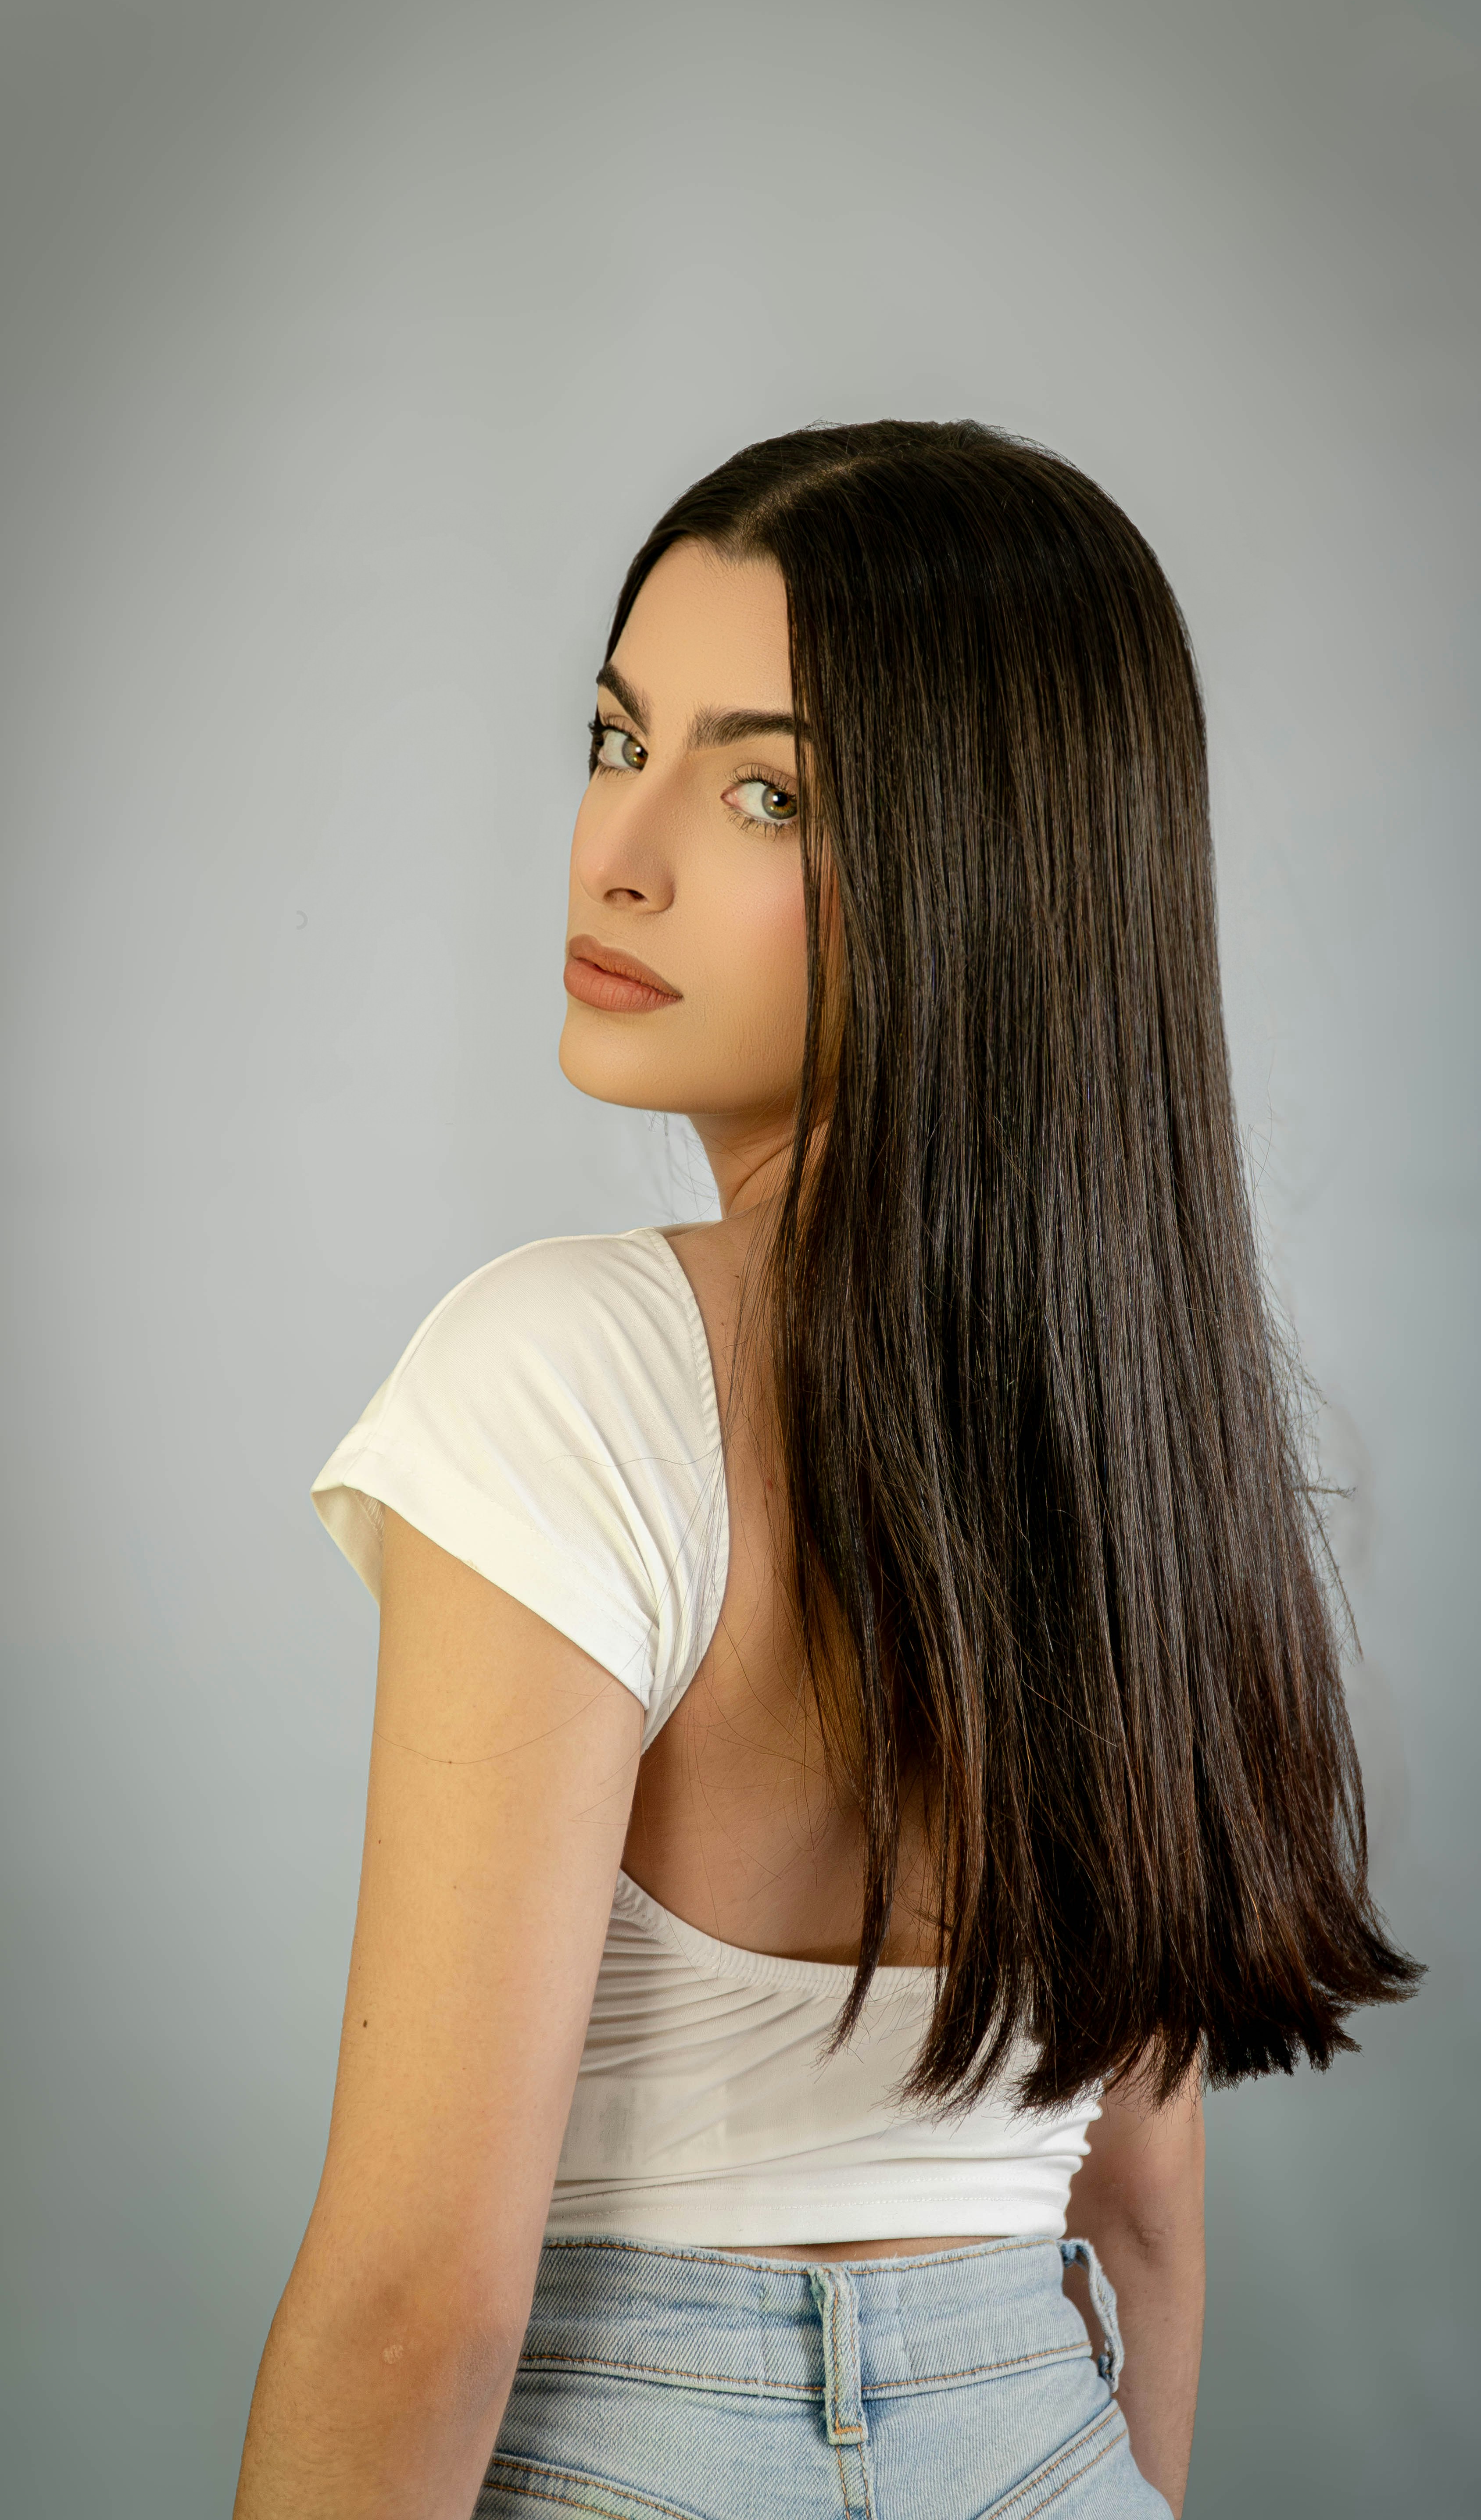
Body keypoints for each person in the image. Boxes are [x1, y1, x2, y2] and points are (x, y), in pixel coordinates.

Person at [233, 420, 1419, 2520]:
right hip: (1051, 2436)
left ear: (978, 872)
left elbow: (421, 2293)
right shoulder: (1148, 1441)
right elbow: (1139, 2225)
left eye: (765, 789)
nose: (622, 851)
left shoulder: (571, 1367)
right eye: (620, 740)